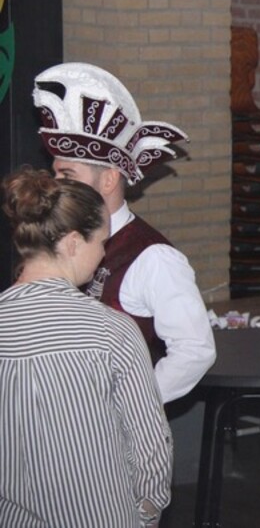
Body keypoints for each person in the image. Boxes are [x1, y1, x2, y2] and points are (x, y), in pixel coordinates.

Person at [32, 62, 216, 403]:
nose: (56, 186)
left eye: (68, 175)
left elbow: (195, 350)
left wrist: (127, 404)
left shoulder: (153, 257)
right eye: (55, 174)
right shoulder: (55, 237)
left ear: (109, 180)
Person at [0, 167, 173, 527]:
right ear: (73, 243)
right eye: (102, 243)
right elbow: (149, 444)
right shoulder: (113, 331)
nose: (102, 255)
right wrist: (146, 513)